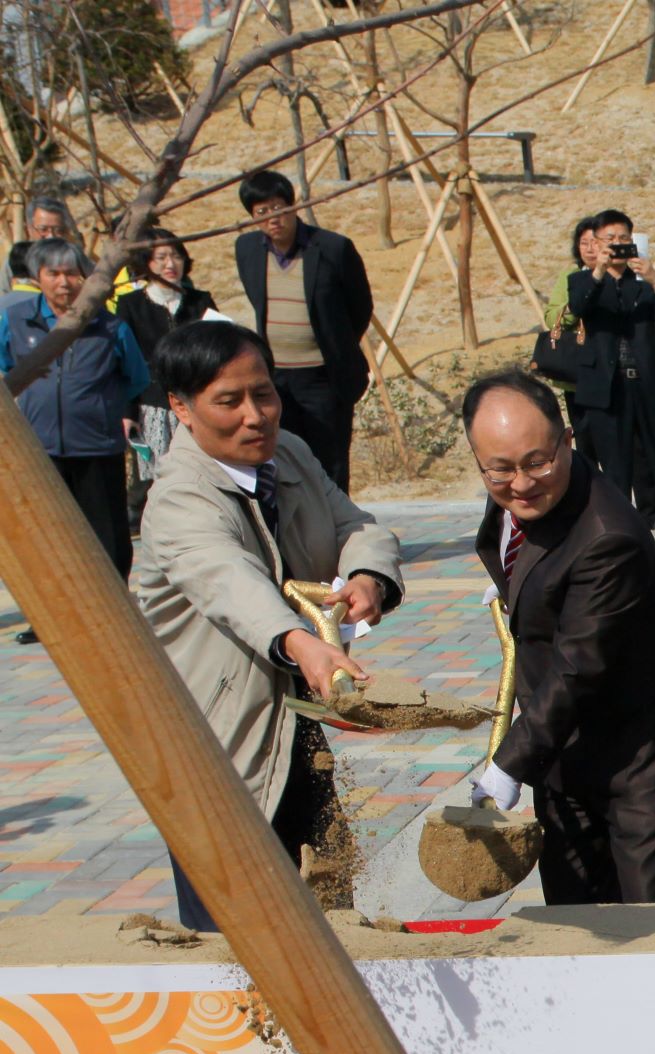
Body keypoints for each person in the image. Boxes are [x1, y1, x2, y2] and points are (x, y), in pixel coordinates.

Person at [130, 321, 401, 928]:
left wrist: (366, 578)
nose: (255, 416)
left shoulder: (292, 455)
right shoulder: (178, 499)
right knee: (244, 943)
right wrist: (302, 643)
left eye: (264, 393)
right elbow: (230, 585)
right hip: (219, 753)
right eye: (228, 401)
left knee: (332, 921)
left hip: (298, 730)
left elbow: (357, 525)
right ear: (181, 407)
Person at [462, 372, 655, 905]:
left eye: (537, 462)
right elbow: (518, 542)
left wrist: (507, 764)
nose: (522, 483)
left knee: (654, 930)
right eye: (500, 469)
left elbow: (578, 669)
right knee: (576, 919)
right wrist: (519, 586)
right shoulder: (518, 490)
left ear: (567, 441)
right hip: (564, 753)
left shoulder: (608, 537)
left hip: (638, 760)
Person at [566, 208, 655, 564]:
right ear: (597, 243)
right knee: (615, 471)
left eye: (622, 239)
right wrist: (600, 270)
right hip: (606, 390)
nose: (617, 245)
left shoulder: (641, 282)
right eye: (609, 240)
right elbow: (578, 306)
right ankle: (619, 541)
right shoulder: (583, 280)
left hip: (646, 385)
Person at [5, 240, 150, 581]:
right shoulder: (16, 320)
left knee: (107, 531)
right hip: (39, 448)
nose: (63, 282)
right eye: (53, 273)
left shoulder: (111, 327)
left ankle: (116, 603)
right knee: (48, 531)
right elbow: (7, 368)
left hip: (97, 445)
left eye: (72, 273)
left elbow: (135, 378)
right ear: (37, 277)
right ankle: (51, 609)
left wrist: (100, 408)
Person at [230, 168, 373, 491]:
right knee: (281, 459)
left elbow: (360, 307)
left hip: (323, 377)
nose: (272, 218)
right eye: (262, 212)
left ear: (292, 206)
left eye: (278, 207)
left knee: (329, 461)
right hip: (274, 378)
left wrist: (336, 343)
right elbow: (258, 301)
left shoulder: (333, 249)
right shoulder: (248, 249)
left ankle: (336, 533)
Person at [114, 229, 215, 520]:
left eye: (176, 255)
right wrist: (127, 411)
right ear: (146, 263)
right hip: (152, 405)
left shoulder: (200, 300)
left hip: (196, 402)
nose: (170, 263)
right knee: (158, 478)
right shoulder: (131, 305)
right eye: (161, 257)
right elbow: (124, 364)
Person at [8, 196, 73, 300]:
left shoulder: (77, 263)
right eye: (43, 229)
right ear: (29, 229)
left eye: (58, 230)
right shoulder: (17, 263)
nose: (51, 236)